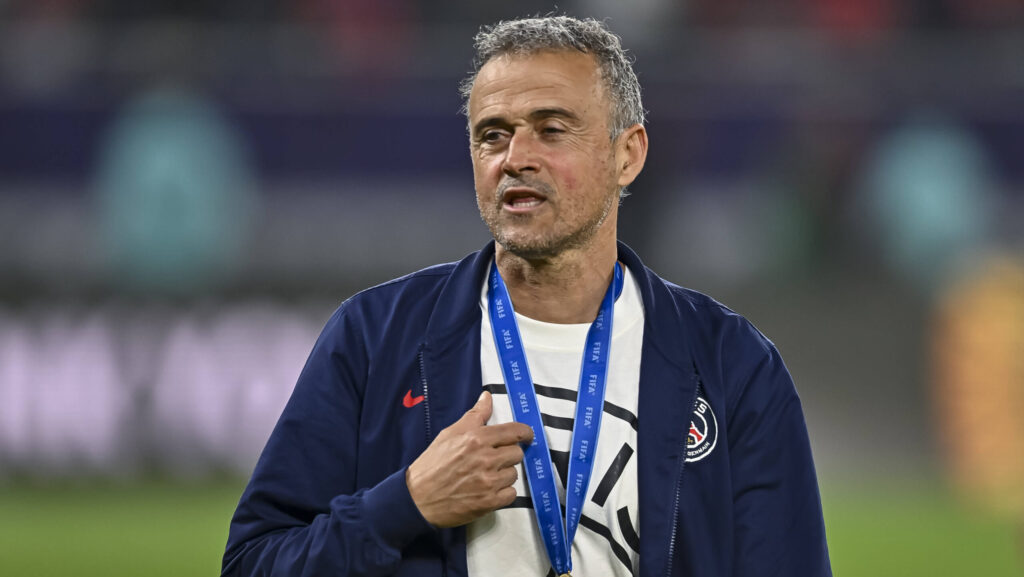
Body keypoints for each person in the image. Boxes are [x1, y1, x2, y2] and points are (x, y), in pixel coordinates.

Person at [222, 15, 831, 577]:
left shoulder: (732, 366)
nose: (516, 158)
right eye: (493, 135)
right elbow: (254, 562)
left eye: (551, 130)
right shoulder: (375, 337)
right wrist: (403, 503)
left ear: (628, 154)